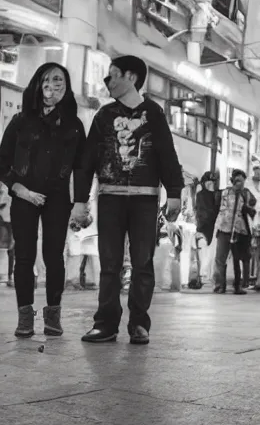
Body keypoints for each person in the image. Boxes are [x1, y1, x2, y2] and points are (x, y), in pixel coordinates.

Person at [75, 55, 184, 345]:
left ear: (131, 77)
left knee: (143, 263)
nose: (106, 81)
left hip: (145, 200)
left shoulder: (154, 113)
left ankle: (139, 323)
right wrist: (79, 200)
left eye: (112, 75)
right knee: (109, 264)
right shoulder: (103, 115)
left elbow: (167, 155)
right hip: (109, 197)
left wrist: (175, 193)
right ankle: (105, 324)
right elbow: (87, 161)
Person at [0, 62, 86, 338]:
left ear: (66, 87)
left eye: (58, 81)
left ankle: (53, 316)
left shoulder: (74, 125)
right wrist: (20, 189)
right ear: (37, 85)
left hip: (57, 197)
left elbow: (82, 167)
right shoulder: (21, 121)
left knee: (54, 256)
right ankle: (25, 317)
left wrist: (81, 201)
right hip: (24, 196)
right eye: (46, 81)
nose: (52, 86)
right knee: (24, 256)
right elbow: (1, 164)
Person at [212, 169, 256, 294]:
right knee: (220, 258)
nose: (240, 184)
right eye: (237, 181)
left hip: (238, 231)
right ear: (233, 180)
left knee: (237, 259)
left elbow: (253, 207)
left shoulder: (246, 194)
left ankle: (238, 286)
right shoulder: (224, 192)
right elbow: (217, 207)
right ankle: (220, 285)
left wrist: (247, 208)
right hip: (224, 229)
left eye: (242, 181)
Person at [193, 171, 219, 287]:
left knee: (210, 252)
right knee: (204, 252)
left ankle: (205, 276)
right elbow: (201, 212)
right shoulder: (201, 195)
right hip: (204, 226)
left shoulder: (214, 195)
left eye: (213, 182)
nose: (211, 185)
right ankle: (202, 276)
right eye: (209, 182)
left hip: (211, 226)